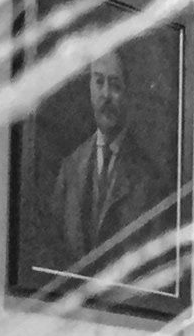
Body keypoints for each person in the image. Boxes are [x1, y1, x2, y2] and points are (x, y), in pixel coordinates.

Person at [46, 49, 166, 275]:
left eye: (115, 85)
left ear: (129, 94)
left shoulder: (150, 181)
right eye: (99, 82)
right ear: (89, 86)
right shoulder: (70, 170)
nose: (106, 95)